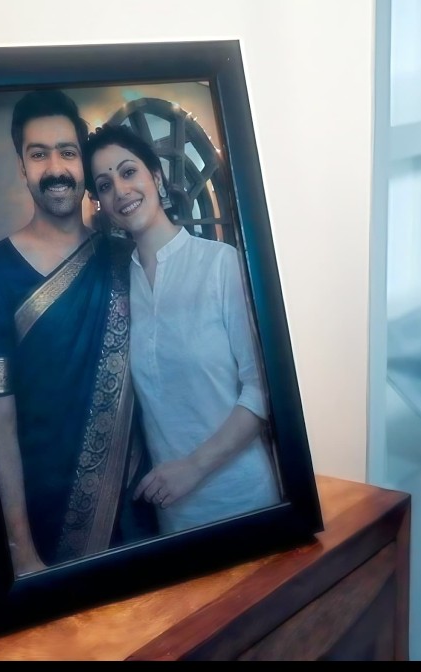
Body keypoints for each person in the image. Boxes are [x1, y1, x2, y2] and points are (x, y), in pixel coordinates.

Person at [0, 90, 156, 573]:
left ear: (82, 164)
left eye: (67, 152)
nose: (55, 168)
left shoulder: (124, 258)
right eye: (38, 154)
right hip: (46, 524)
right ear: (21, 167)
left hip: (144, 507)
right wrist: (21, 550)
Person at [83, 123, 282, 534]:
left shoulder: (220, 265)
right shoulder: (119, 287)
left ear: (156, 177)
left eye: (128, 171)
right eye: (104, 185)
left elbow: (262, 389)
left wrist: (193, 467)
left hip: (246, 500)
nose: (120, 190)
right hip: (175, 515)